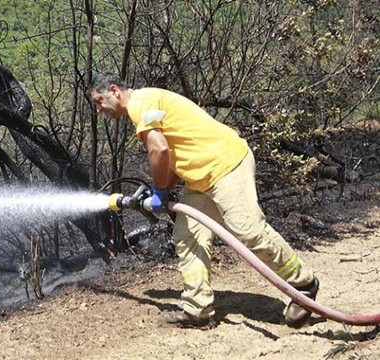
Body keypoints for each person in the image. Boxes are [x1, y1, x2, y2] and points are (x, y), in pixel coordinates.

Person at [89, 73, 319, 328]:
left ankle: (304, 284)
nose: (99, 109)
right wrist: (163, 190)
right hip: (200, 179)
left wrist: (160, 191)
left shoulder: (140, 103)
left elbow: (159, 150)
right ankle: (197, 308)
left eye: (99, 101)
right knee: (188, 237)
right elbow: (175, 154)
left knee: (249, 231)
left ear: (114, 90)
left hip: (226, 165)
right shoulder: (148, 102)